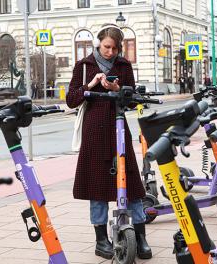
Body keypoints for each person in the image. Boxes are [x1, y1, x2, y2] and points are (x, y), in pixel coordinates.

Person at [66, 24, 152, 260]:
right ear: (99, 43)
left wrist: (118, 89)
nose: (110, 52)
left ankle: (141, 236)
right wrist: (91, 85)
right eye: (106, 47)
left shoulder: (124, 66)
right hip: (94, 133)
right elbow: (71, 100)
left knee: (132, 185)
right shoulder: (84, 66)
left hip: (119, 129)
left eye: (115, 48)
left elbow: (133, 100)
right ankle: (101, 240)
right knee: (98, 187)